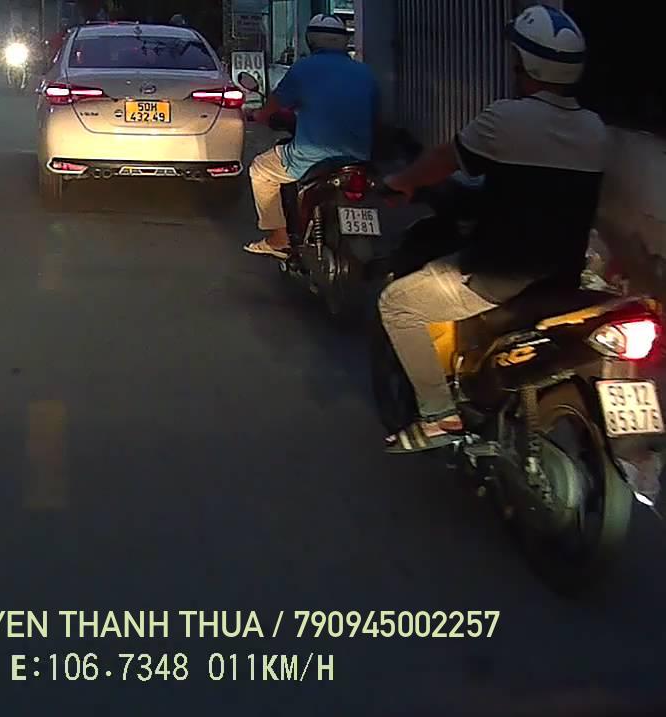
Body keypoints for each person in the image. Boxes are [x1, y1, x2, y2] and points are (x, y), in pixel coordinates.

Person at [378, 4, 605, 453]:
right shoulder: (593, 128)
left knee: (397, 304)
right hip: (562, 276)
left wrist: (401, 182)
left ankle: (439, 416)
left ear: (526, 64)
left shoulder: (506, 118)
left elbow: (442, 161)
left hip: (498, 278)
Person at [243, 14, 378, 258]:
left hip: (312, 156)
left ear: (311, 39)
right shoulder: (365, 72)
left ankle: (278, 238)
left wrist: (257, 114)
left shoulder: (303, 68)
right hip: (359, 156)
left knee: (260, 170)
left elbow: (273, 107)